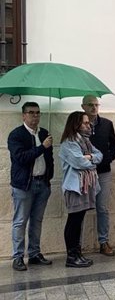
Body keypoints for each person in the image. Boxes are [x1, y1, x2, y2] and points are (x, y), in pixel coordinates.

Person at [8, 102, 54, 271]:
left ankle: (34, 253)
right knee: (20, 221)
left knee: (37, 221)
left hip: (42, 183)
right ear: (24, 115)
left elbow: (50, 159)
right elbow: (21, 158)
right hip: (24, 185)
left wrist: (49, 177)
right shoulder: (16, 135)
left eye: (37, 113)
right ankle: (18, 257)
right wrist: (42, 147)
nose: (35, 116)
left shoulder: (44, 133)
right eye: (31, 113)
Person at [59, 111, 103, 268]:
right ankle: (71, 256)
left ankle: (77, 253)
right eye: (85, 122)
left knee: (78, 221)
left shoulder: (86, 142)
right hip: (75, 188)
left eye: (88, 122)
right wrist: (90, 160)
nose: (88, 125)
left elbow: (99, 155)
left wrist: (89, 157)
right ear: (76, 124)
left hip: (85, 186)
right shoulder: (69, 143)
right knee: (74, 221)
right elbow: (79, 163)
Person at [82, 95, 115, 257]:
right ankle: (77, 246)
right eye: (90, 105)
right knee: (81, 209)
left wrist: (107, 158)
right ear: (83, 106)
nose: (94, 108)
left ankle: (103, 242)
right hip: (84, 173)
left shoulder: (106, 124)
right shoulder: (79, 125)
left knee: (102, 208)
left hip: (103, 172)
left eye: (96, 105)